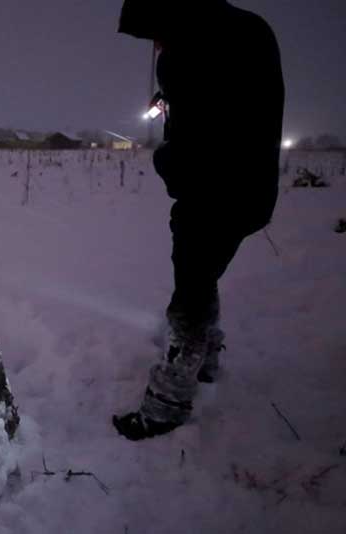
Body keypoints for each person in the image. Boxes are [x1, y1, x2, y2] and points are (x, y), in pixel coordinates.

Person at [113, 0, 285, 440]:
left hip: (210, 195)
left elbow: (196, 139)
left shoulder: (185, 55)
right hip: (253, 191)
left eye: (154, 34)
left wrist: (166, 160)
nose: (154, 46)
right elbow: (234, 101)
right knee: (202, 275)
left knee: (188, 298)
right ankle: (207, 360)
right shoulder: (249, 30)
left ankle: (166, 407)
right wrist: (174, 99)